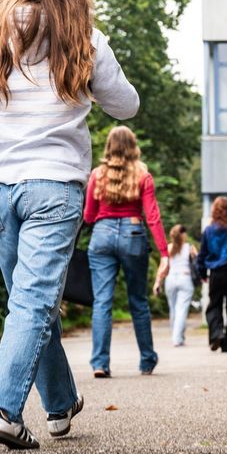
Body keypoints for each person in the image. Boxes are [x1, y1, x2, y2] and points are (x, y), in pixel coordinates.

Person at [0, 0, 138, 449]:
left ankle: (59, 406)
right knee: (33, 302)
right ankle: (4, 411)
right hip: (54, 185)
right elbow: (127, 106)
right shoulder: (85, 39)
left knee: (27, 301)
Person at [85, 126, 168, 377]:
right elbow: (152, 216)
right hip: (133, 233)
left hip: (101, 235)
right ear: (133, 147)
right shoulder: (143, 176)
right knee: (138, 301)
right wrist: (164, 253)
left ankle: (100, 363)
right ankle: (146, 360)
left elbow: (88, 215)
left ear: (109, 147)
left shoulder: (97, 175)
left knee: (102, 302)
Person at [197, 196, 227, 353]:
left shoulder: (208, 230)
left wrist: (202, 272)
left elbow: (202, 254)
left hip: (216, 273)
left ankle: (217, 332)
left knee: (214, 305)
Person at [153, 224, 195, 347]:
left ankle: (178, 337)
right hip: (185, 279)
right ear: (183, 235)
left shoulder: (168, 248)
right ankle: (177, 338)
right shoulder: (190, 248)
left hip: (170, 280)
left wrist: (157, 282)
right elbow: (198, 263)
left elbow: (162, 267)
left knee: (173, 310)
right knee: (181, 310)